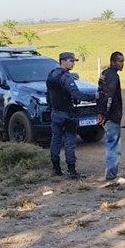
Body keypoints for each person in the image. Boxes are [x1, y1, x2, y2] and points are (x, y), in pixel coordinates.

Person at [47, 51, 98, 179]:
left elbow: (48, 95)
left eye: (74, 61)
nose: (73, 63)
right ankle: (72, 170)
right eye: (71, 61)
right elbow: (76, 94)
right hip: (67, 114)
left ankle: (56, 168)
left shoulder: (51, 75)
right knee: (69, 141)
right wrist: (94, 97)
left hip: (55, 113)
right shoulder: (66, 77)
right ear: (62, 61)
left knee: (56, 140)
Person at [97, 51, 125, 184]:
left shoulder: (104, 74)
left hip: (106, 115)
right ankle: (112, 176)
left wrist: (100, 112)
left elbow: (99, 94)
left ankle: (110, 173)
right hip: (112, 116)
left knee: (110, 144)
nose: (122, 64)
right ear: (113, 61)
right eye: (119, 61)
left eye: (123, 61)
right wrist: (105, 114)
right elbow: (108, 97)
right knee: (114, 146)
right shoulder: (113, 77)